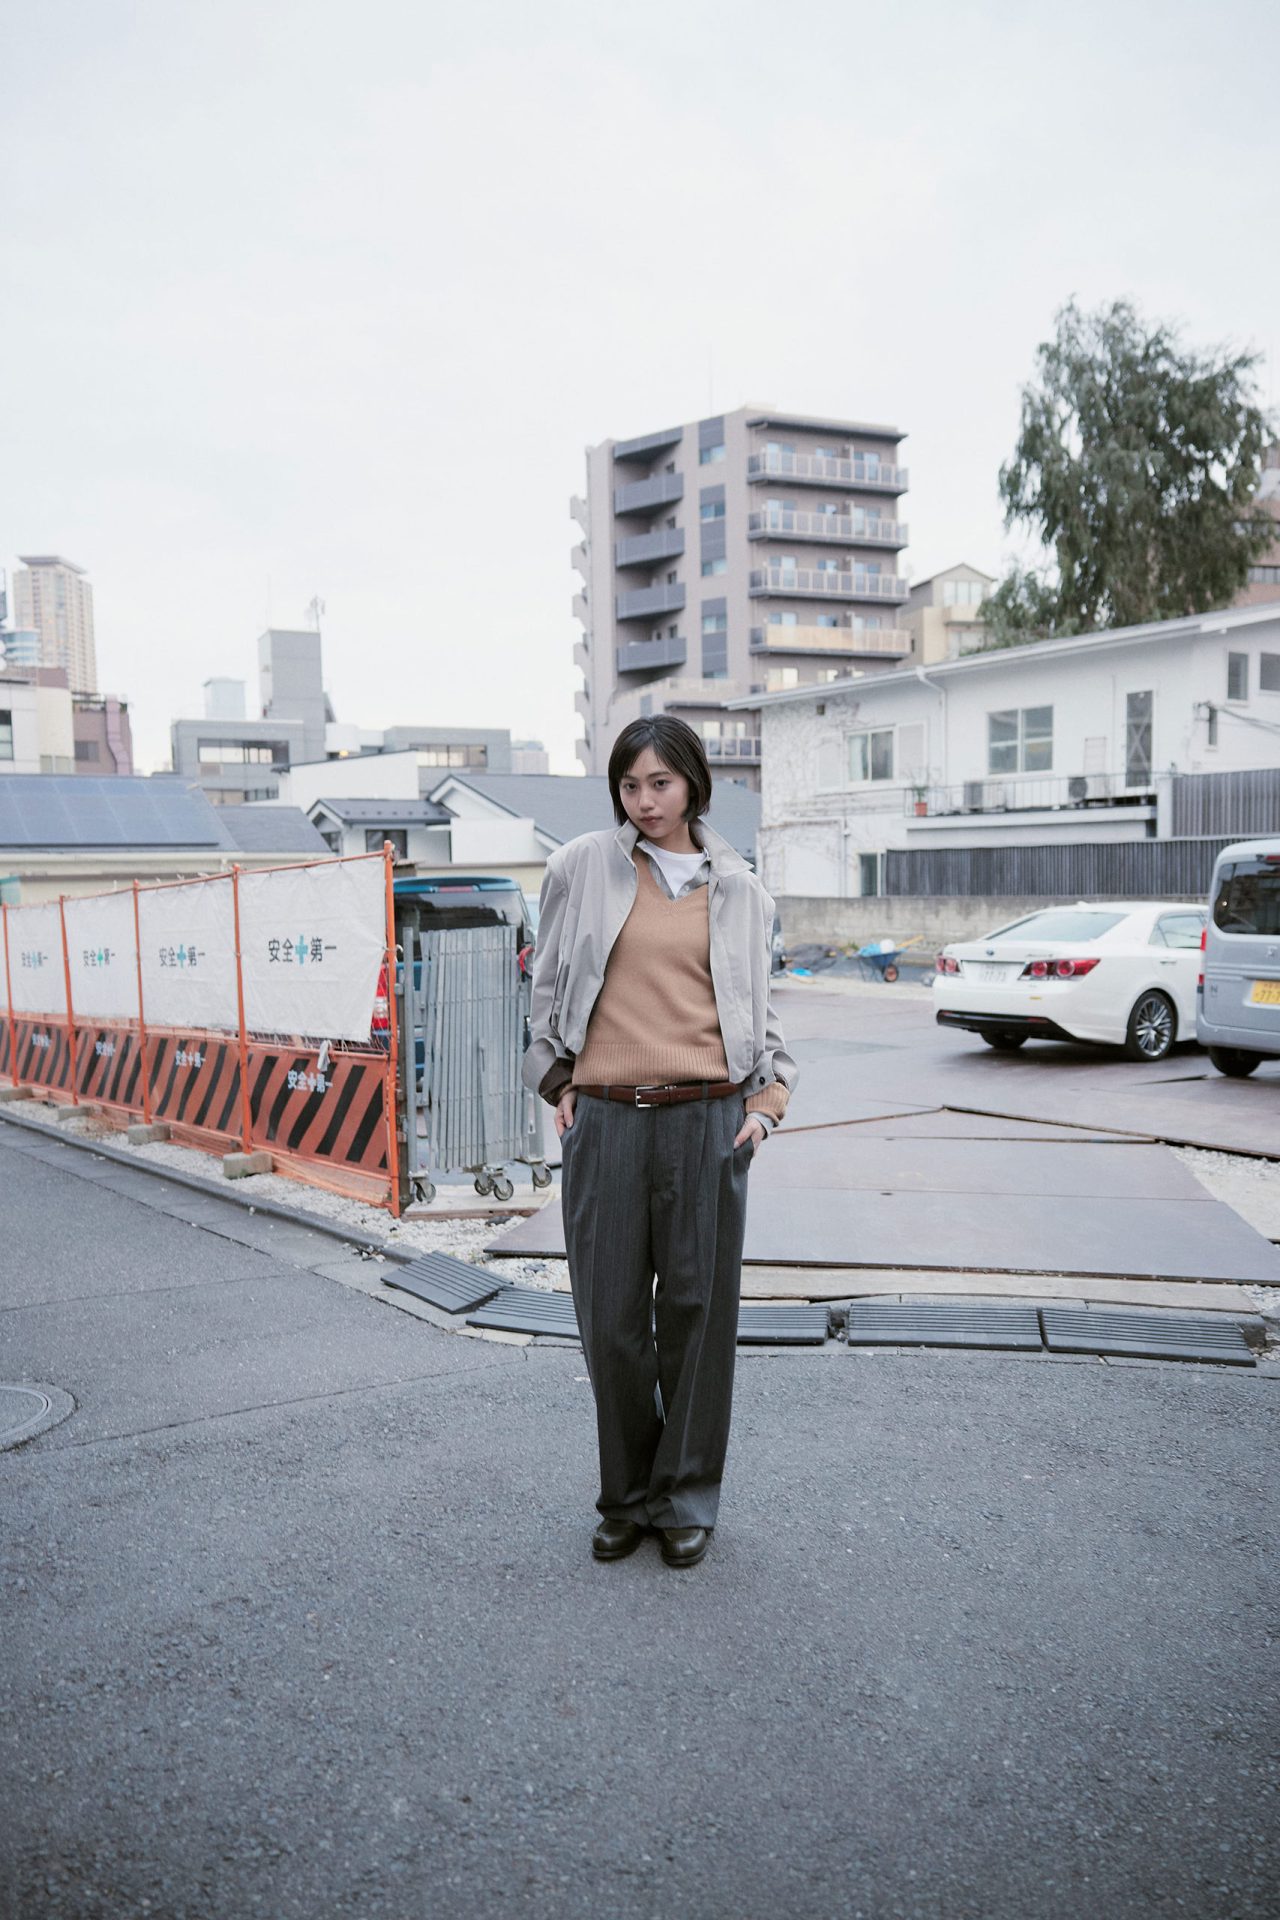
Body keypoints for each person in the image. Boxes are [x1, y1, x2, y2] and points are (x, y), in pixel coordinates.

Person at [522, 716, 797, 1569]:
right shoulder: (580, 867)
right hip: (606, 1118)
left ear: (693, 785)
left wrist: (769, 1101)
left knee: (696, 1318)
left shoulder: (741, 889)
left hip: (708, 1117)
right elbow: (547, 985)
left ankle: (684, 1498)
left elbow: (759, 1012)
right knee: (609, 1321)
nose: (644, 801)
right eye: (630, 785)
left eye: (660, 784)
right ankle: (627, 1495)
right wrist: (557, 1080)